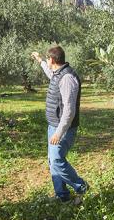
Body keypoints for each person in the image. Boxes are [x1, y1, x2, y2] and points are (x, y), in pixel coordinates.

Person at [32, 46, 88, 204]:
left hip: (63, 129)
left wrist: (59, 132)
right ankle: (62, 195)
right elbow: (50, 74)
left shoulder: (67, 78)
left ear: (53, 60)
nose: (47, 62)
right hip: (54, 125)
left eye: (47, 59)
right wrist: (40, 61)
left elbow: (69, 111)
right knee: (53, 161)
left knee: (56, 160)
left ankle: (81, 187)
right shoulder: (58, 73)